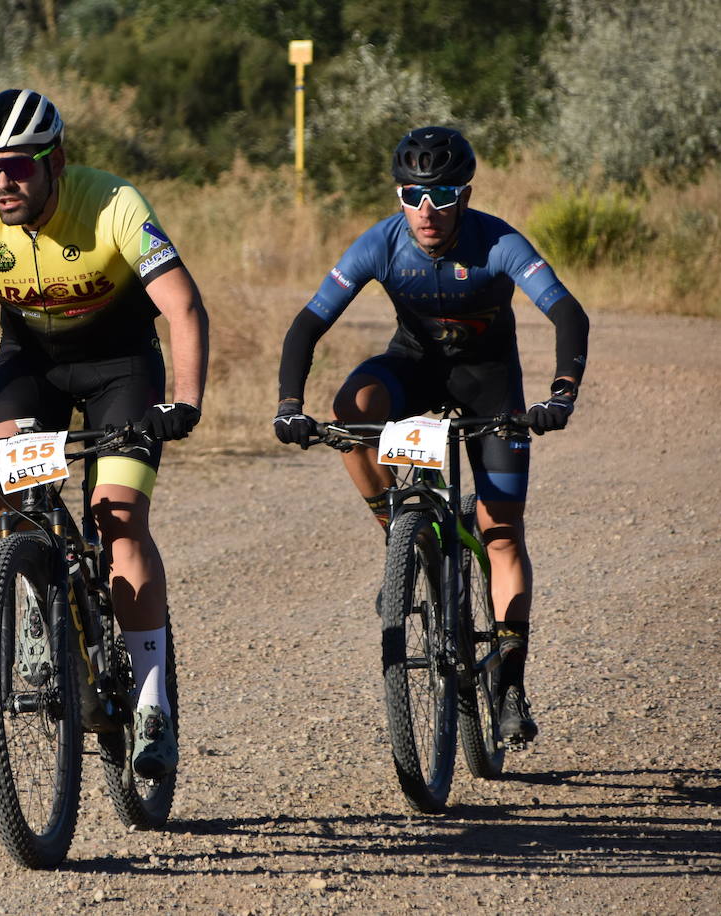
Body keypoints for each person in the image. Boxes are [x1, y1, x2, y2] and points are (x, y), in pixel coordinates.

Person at [0, 89, 209, 778]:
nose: (1, 183)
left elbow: (183, 305)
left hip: (121, 366)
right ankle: (29, 597)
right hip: (32, 367)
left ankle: (149, 702)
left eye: (17, 167)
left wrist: (185, 401)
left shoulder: (114, 204)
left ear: (58, 161)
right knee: (6, 484)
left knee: (119, 518)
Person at [274, 126, 589, 745]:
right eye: (412, 195)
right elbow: (308, 324)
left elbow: (567, 312)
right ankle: (405, 544)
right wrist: (288, 404)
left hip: (488, 382)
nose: (426, 211)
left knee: (500, 533)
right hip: (414, 366)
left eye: (441, 196)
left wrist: (561, 393)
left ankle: (511, 686)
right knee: (352, 410)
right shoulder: (383, 242)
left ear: (464, 196)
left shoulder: (497, 241)